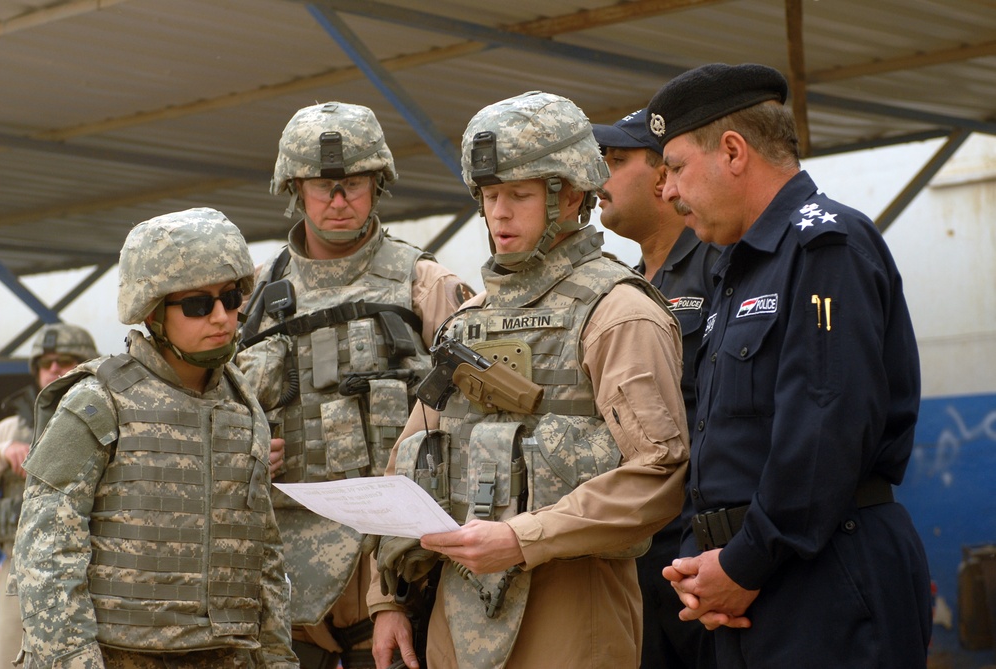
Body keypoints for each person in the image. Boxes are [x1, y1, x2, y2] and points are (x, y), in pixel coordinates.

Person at [369, 90, 690, 669]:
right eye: (490, 195)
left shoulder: (617, 312)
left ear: (570, 197)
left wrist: (523, 538)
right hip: (454, 625)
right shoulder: (464, 326)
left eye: (519, 194)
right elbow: (405, 468)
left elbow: (657, 476)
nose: (499, 213)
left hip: (572, 621)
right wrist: (387, 600)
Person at [646, 63, 932, 667]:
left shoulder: (826, 248)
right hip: (753, 583)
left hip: (824, 573)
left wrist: (744, 561)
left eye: (674, 167)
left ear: (732, 151)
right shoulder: (737, 267)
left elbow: (825, 427)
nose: (666, 190)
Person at [235, 101, 473, 669]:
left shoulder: (426, 285)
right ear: (295, 188)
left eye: (355, 184)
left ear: (378, 185)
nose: (339, 201)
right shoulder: (252, 299)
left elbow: (473, 423)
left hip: (397, 572)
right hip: (283, 583)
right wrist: (236, 453)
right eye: (323, 186)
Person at [11, 208, 298, 668]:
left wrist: (278, 660)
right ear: (152, 310)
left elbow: (263, 557)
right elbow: (45, 555)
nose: (222, 316)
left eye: (231, 296)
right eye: (198, 304)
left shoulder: (243, 406)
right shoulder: (98, 401)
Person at [592, 108, 720, 669]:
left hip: (702, 549)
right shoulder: (624, 288)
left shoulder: (723, 268)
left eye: (618, 162)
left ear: (664, 176)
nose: (601, 179)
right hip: (635, 551)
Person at [0, 323, 98, 669]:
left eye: (66, 360)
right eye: (46, 362)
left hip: (91, 568)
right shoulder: (14, 426)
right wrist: (3, 451)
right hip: (19, 570)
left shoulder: (105, 417)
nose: (54, 368)